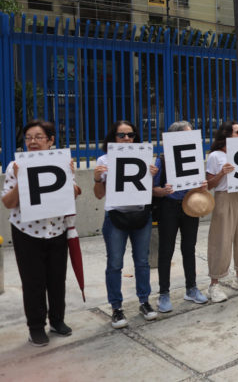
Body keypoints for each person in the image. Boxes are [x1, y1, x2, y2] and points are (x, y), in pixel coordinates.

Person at [2, 120, 81, 347]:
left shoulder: (61, 162)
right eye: (28, 137)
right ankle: (36, 327)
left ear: (51, 140)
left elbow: (75, 193)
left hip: (56, 230)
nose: (33, 142)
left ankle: (57, 320)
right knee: (33, 281)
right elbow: (8, 203)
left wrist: (70, 175)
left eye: (38, 137)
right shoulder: (14, 165)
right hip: (26, 232)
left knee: (57, 279)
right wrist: (20, 179)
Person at [94, 120, 159, 328]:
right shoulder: (104, 159)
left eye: (130, 135)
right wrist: (97, 179)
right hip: (116, 217)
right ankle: (116, 307)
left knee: (142, 261)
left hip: (141, 216)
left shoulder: (145, 158)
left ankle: (144, 301)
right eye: (121, 135)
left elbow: (146, 191)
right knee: (114, 263)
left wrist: (151, 176)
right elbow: (98, 195)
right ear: (113, 137)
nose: (126, 139)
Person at [153, 121, 209, 312]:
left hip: (189, 206)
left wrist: (201, 186)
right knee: (166, 250)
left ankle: (191, 288)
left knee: (189, 248)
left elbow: (198, 182)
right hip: (168, 207)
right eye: (187, 134)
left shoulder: (193, 156)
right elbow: (153, 189)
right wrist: (163, 191)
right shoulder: (162, 160)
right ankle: (164, 293)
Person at [205, 121, 238, 302]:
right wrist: (221, 173)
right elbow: (209, 185)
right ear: (227, 135)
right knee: (221, 239)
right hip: (225, 196)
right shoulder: (215, 156)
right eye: (237, 132)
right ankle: (214, 283)